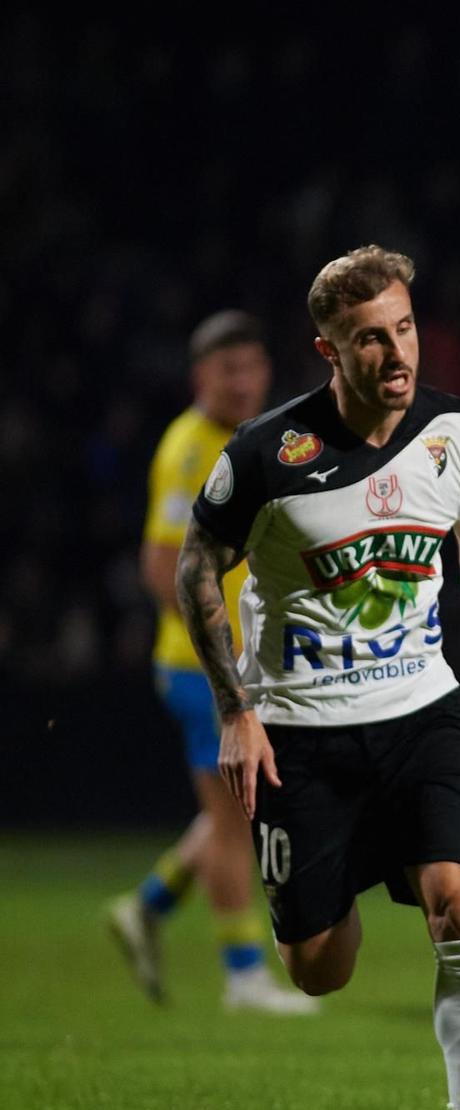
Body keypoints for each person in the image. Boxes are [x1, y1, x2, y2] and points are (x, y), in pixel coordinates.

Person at [176, 246, 460, 1110]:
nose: (396, 353)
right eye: (369, 339)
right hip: (301, 736)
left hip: (422, 713)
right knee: (318, 968)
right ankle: (329, 890)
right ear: (327, 350)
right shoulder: (266, 454)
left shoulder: (458, 436)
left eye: (406, 329)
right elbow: (195, 571)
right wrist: (236, 708)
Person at [106, 310, 318, 1014]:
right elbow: (161, 562)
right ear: (201, 376)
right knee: (238, 820)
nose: (244, 381)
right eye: (230, 369)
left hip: (243, 663)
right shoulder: (189, 450)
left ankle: (147, 904)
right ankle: (244, 973)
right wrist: (218, 654)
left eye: (253, 367)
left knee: (229, 815)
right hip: (203, 670)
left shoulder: (252, 442)